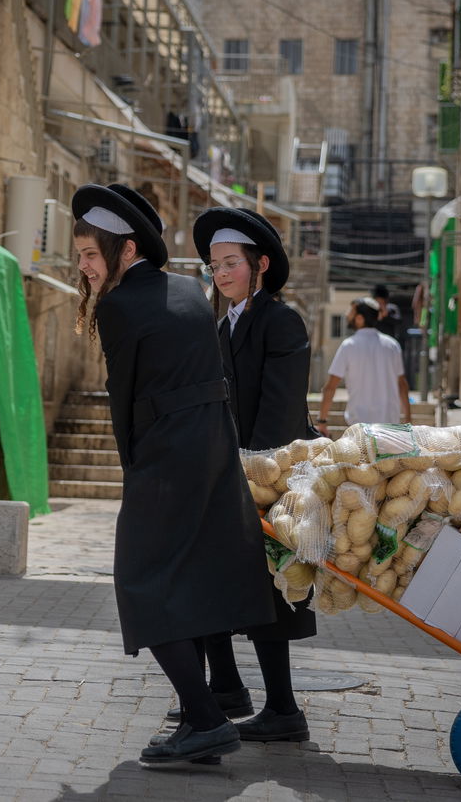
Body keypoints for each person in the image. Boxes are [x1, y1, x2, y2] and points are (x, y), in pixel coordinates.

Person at [72, 183, 274, 765]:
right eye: (82, 255)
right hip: (214, 446)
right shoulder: (192, 288)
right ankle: (204, 708)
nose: (84, 267)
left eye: (91, 254)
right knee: (196, 575)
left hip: (164, 453)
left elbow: (123, 393)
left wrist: (133, 465)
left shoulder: (115, 306)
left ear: (126, 251)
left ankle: (208, 719)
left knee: (142, 580)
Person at [188, 207, 318, 743]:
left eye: (231, 264)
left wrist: (255, 476)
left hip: (271, 476)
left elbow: (282, 410)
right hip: (231, 472)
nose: (220, 274)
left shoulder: (279, 321)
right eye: (214, 266)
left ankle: (284, 709)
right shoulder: (222, 325)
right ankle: (226, 690)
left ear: (260, 265)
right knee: (210, 580)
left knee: (270, 589)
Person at [317, 297, 412, 433]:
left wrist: (322, 421)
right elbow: (402, 384)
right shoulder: (392, 345)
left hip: (359, 429)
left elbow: (330, 387)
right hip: (390, 428)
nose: (346, 314)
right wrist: (408, 419)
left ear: (360, 318)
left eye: (350, 311)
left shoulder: (348, 346)